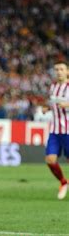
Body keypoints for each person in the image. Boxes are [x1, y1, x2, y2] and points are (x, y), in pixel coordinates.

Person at [44, 61, 69, 199]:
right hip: (55, 130)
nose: (58, 71)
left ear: (67, 72)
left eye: (61, 69)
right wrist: (46, 108)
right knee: (50, 159)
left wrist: (67, 104)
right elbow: (52, 103)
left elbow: (64, 104)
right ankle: (63, 182)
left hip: (68, 130)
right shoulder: (53, 86)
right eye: (56, 69)